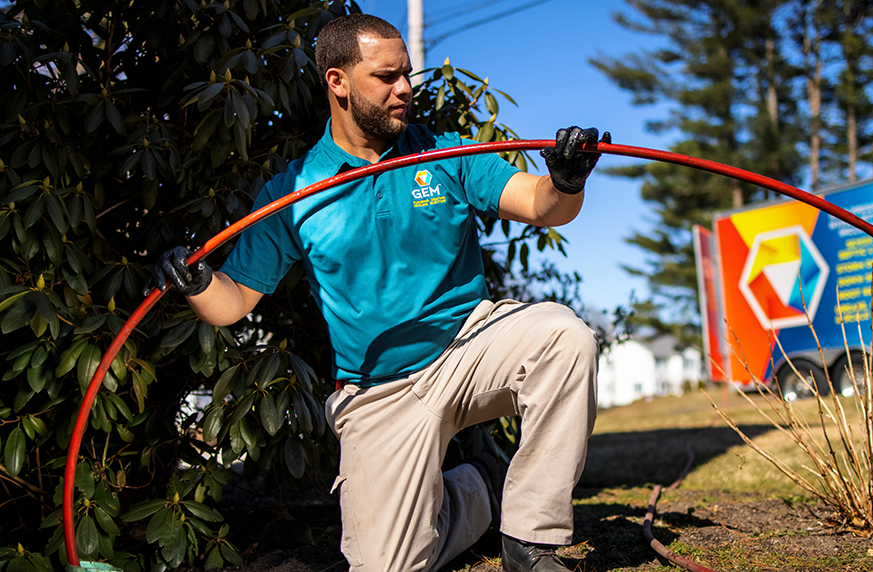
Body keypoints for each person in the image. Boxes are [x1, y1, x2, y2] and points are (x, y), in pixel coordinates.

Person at [145, 13, 606, 572]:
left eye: (406, 73)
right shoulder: (293, 192)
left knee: (566, 339)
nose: (405, 88)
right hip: (377, 391)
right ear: (337, 81)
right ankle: (478, 489)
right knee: (388, 567)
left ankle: (530, 540)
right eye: (386, 77)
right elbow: (233, 301)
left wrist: (565, 180)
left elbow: (538, 203)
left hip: (468, 344)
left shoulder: (444, 153)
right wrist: (197, 283)